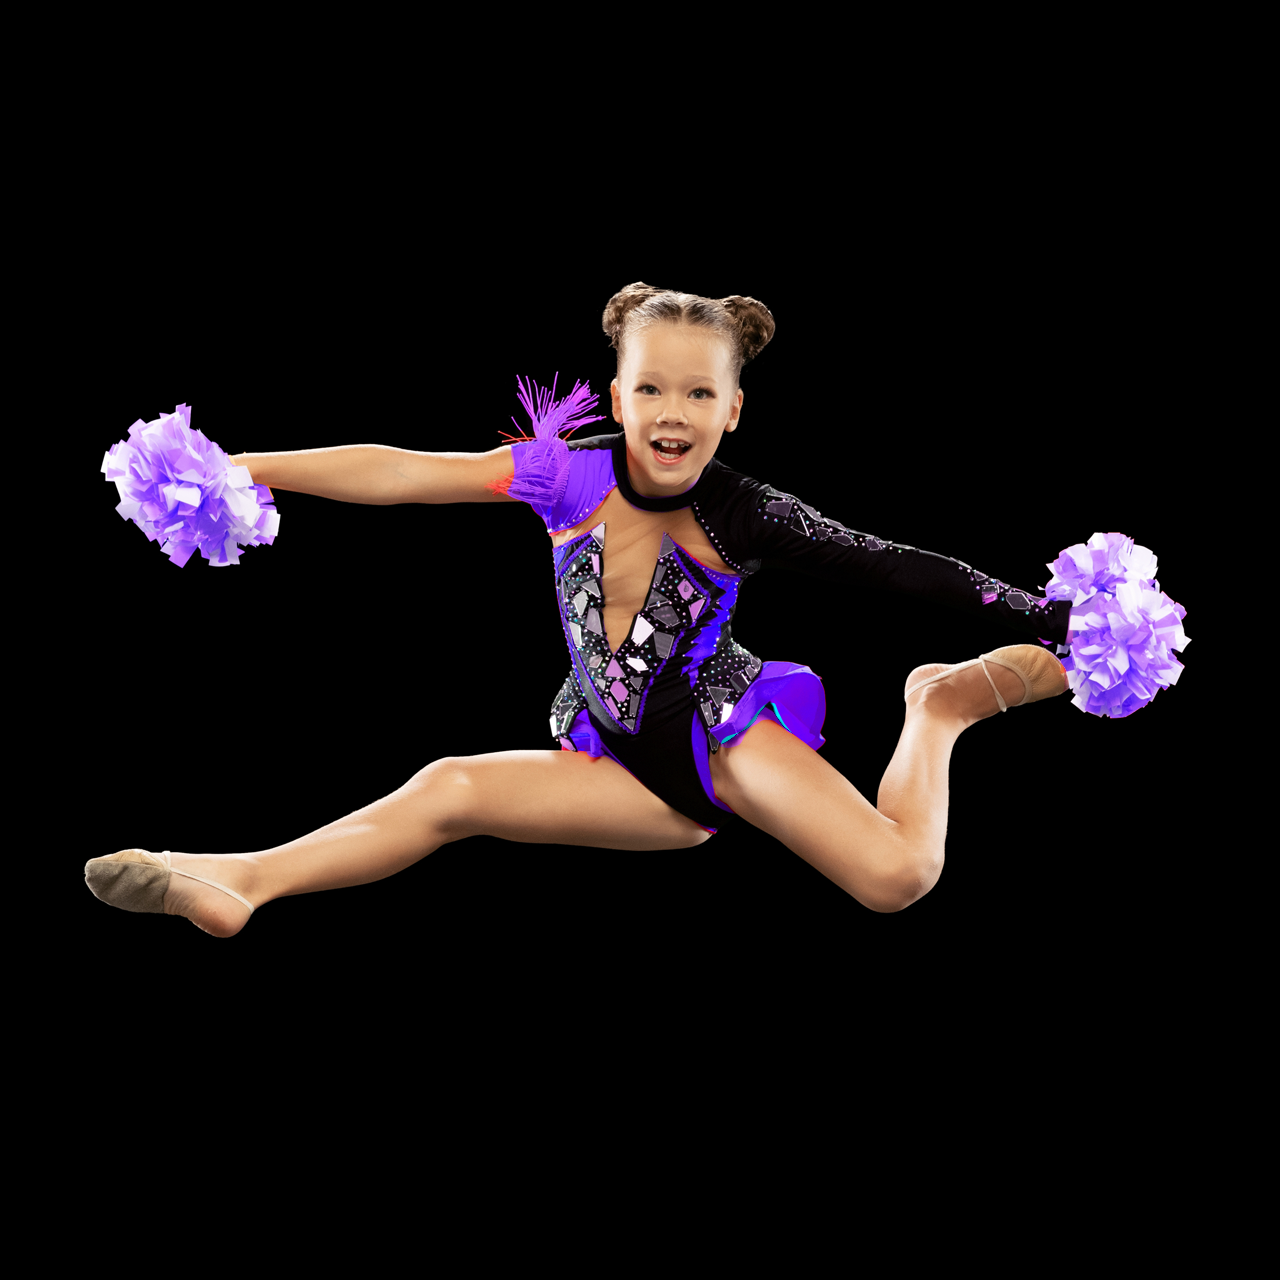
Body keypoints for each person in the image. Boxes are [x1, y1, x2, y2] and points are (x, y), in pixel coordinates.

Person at [85, 282, 1070, 936]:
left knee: (895, 878)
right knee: (449, 788)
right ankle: (240, 877)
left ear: (731, 409)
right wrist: (245, 466)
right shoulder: (562, 477)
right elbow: (400, 472)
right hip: (615, 743)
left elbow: (896, 565)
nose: (671, 412)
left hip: (714, 732)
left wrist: (1043, 613)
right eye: (650, 388)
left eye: (697, 392)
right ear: (617, 393)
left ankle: (935, 705)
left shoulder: (748, 512)